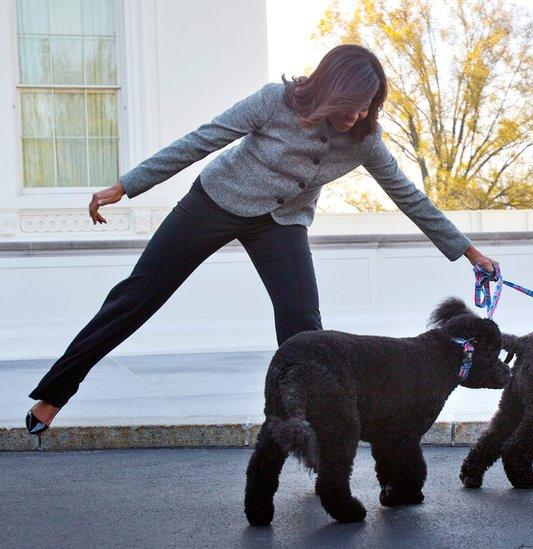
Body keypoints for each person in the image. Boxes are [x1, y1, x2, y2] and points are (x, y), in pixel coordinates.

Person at [25, 44, 497, 434]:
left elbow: (409, 197)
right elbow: (202, 139)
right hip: (216, 201)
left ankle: (310, 428)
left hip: (282, 222)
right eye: (349, 104)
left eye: (366, 106)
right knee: (137, 297)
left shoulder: (365, 141)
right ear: (329, 89)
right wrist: (127, 185)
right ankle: (54, 393)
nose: (356, 115)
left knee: (303, 323)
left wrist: (468, 252)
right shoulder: (276, 100)